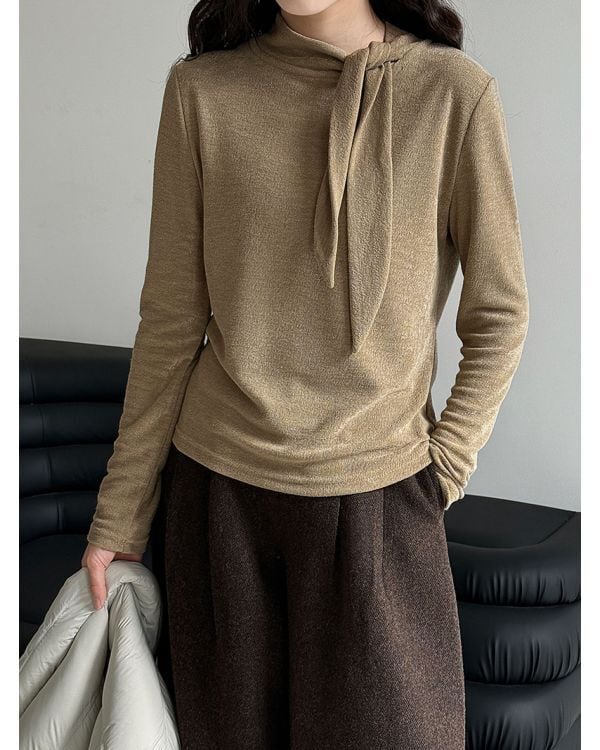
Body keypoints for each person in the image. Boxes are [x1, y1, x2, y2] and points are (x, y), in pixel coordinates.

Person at [81, 1, 530, 747]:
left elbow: (500, 313)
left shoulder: (455, 93)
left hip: (381, 499)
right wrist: (120, 513)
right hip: (217, 498)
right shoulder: (203, 92)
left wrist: (444, 467)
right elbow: (170, 320)